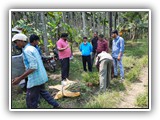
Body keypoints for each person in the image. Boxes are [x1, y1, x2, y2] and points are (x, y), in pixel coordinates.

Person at [12, 33, 61, 109]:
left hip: (35, 79)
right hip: (40, 76)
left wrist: (19, 79)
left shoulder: (27, 50)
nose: (16, 44)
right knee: (43, 92)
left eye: (16, 42)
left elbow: (33, 67)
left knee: (30, 100)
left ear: (21, 41)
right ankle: (56, 105)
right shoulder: (32, 48)